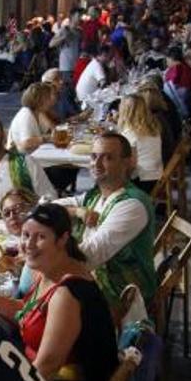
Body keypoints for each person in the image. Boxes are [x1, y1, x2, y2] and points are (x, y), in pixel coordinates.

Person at [0, 203, 118, 381]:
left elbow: (47, 367)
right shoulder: (51, 269)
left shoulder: (66, 294)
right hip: (40, 374)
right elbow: (30, 312)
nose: (28, 244)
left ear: (62, 239)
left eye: (40, 237)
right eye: (26, 235)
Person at [55, 133, 158, 314]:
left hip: (122, 290)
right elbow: (47, 209)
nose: (97, 163)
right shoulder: (95, 196)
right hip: (93, 275)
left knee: (51, 299)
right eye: (94, 156)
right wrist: (76, 211)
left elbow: (93, 253)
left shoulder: (132, 204)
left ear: (126, 163)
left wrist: (49, 262)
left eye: (108, 158)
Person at [116, 94, 164, 192]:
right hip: (155, 174)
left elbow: (131, 165)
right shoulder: (153, 127)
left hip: (142, 182)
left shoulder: (130, 133)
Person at [7, 82, 57, 153]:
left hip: (34, 156)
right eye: (48, 98)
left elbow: (51, 131)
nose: (51, 101)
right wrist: (47, 138)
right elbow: (26, 143)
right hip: (19, 160)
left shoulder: (37, 113)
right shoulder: (26, 114)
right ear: (40, 100)